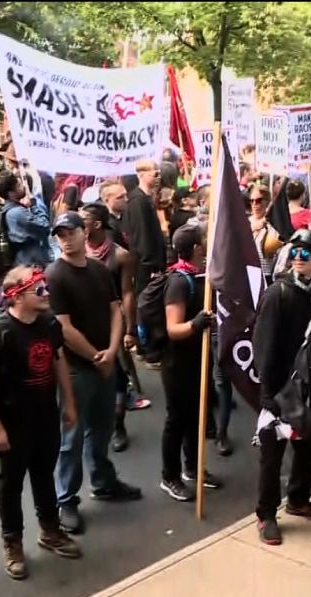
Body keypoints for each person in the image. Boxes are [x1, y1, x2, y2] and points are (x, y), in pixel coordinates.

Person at [0, 266, 82, 579]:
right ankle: (13, 542)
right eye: (39, 290)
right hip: (13, 420)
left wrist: (69, 403)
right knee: (11, 483)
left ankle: (50, 529)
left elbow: (59, 361)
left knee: (44, 474)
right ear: (17, 295)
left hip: (45, 415)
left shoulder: (48, 324)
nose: (46, 294)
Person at [46, 212, 142, 535]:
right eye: (59, 234)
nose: (65, 238)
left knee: (101, 429)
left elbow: (115, 310)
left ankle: (103, 481)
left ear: (82, 232)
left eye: (70, 232)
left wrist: (112, 351)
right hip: (76, 368)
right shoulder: (55, 275)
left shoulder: (100, 270)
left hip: (105, 362)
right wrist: (95, 355)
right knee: (70, 437)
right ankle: (66, 499)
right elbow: (63, 327)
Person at [253, 229, 311, 545]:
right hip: (282, 389)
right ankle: (266, 514)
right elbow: (264, 348)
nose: (298, 259)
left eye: (306, 254)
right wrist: (268, 396)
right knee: (272, 456)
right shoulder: (278, 294)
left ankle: (298, 499)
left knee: (309, 446)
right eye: (294, 253)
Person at [155, 225, 220, 502]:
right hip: (176, 364)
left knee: (196, 417)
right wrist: (196, 324)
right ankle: (169, 476)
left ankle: (192, 468)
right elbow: (174, 328)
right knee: (177, 420)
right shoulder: (179, 282)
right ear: (195, 249)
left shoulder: (198, 277)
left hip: (197, 359)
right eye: (203, 242)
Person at [81, 203, 145, 452]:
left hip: (112, 322)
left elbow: (128, 293)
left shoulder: (120, 256)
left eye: (84, 220)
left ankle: (118, 425)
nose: (79, 224)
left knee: (116, 372)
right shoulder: (77, 253)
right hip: (84, 323)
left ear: (97, 224)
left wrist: (130, 329)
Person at [124, 160, 168, 292]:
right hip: (146, 269)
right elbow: (141, 235)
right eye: (155, 174)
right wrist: (151, 266)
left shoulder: (145, 198)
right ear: (141, 175)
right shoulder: (138, 201)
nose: (158, 178)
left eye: (159, 174)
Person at [0, 170, 52, 268]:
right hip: (30, 264)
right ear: (11, 193)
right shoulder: (17, 213)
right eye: (18, 185)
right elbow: (44, 226)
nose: (23, 186)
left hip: (26, 261)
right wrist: (34, 205)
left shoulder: (12, 210)